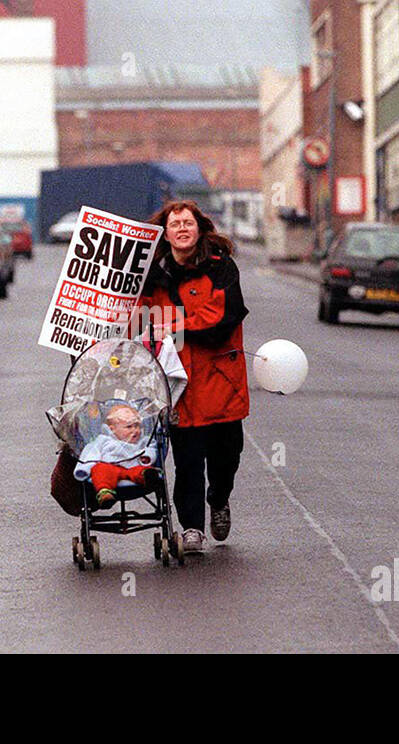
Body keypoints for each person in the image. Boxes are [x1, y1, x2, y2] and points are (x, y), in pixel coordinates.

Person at [136, 200, 249, 553]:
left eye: (188, 223)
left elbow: (223, 318)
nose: (182, 228)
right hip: (178, 386)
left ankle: (219, 499)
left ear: (199, 228)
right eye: (175, 224)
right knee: (186, 461)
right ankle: (191, 529)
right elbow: (140, 325)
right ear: (165, 233)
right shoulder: (152, 277)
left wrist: (173, 328)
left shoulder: (221, 268)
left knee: (226, 456)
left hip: (221, 383)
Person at [73, 403, 157, 508]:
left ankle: (148, 477)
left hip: (133, 467)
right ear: (112, 429)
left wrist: (147, 456)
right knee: (100, 469)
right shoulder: (103, 440)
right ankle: (105, 493)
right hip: (110, 467)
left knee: (142, 471)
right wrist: (84, 468)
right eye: (129, 427)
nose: (135, 430)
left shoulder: (143, 440)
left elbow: (152, 447)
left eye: (137, 426)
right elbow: (91, 453)